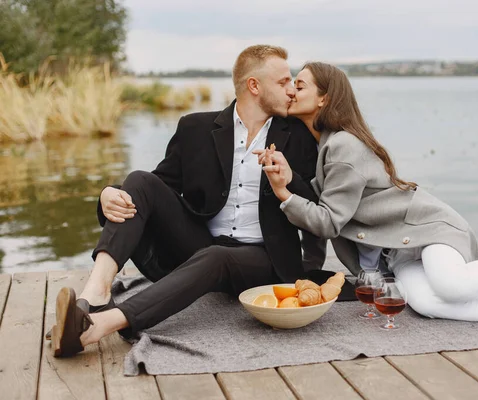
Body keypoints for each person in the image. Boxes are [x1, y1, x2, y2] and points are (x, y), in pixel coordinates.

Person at [254, 61, 478, 331]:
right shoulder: (326, 143)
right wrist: (291, 177)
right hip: (399, 252)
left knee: (451, 286)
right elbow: (329, 199)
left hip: (427, 229)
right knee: (427, 304)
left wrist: (284, 193)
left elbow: (329, 222)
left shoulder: (342, 145)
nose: (291, 92)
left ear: (325, 98)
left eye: (299, 85)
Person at [49, 45, 328, 357]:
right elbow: (156, 188)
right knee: (139, 179)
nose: (291, 91)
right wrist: (106, 195)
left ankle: (100, 325)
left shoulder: (300, 137)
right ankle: (95, 293)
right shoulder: (195, 128)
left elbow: (315, 209)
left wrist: (289, 182)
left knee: (218, 256)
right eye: (283, 82)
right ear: (254, 86)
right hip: (198, 244)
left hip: (264, 259)